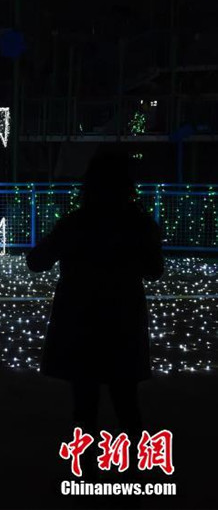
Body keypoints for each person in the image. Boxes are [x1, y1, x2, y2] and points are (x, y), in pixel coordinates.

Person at [27, 149, 163, 438]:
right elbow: (155, 270)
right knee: (127, 402)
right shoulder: (139, 224)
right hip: (123, 319)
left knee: (84, 406)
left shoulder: (76, 222)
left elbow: (37, 262)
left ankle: (87, 471)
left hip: (81, 320)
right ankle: (135, 467)